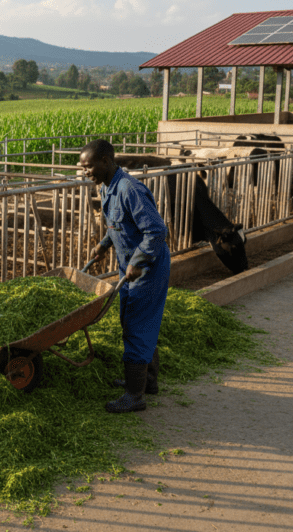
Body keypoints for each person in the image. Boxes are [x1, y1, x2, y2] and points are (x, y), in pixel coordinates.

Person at [80, 139, 170, 413]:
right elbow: (120, 224)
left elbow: (156, 231)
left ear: (105, 161)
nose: (85, 171)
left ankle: (135, 395)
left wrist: (139, 261)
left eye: (88, 166)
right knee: (136, 320)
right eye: (82, 167)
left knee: (136, 324)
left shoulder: (130, 189)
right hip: (129, 264)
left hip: (147, 267)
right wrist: (104, 244)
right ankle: (148, 381)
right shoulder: (109, 187)